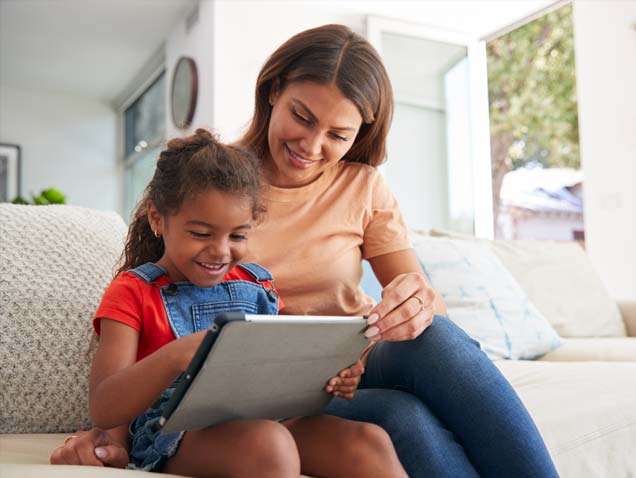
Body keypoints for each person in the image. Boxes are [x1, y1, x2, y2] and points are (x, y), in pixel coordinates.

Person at [52, 24, 559, 478]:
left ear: (360, 133)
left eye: (338, 134)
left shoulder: (364, 186)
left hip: (357, 359)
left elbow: (423, 309)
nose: (312, 146)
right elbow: (153, 307)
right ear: (274, 91)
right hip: (278, 383)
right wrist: (113, 435)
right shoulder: (214, 183)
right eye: (302, 116)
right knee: (406, 419)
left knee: (439, 337)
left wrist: (416, 302)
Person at [73, 128, 406, 477]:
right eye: (201, 233)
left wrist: (332, 376)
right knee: (269, 445)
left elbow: (277, 374)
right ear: (158, 219)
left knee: (369, 441)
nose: (220, 250)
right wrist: (179, 355)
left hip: (265, 419)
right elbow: (104, 405)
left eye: (238, 235)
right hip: (172, 433)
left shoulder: (256, 286)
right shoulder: (132, 291)